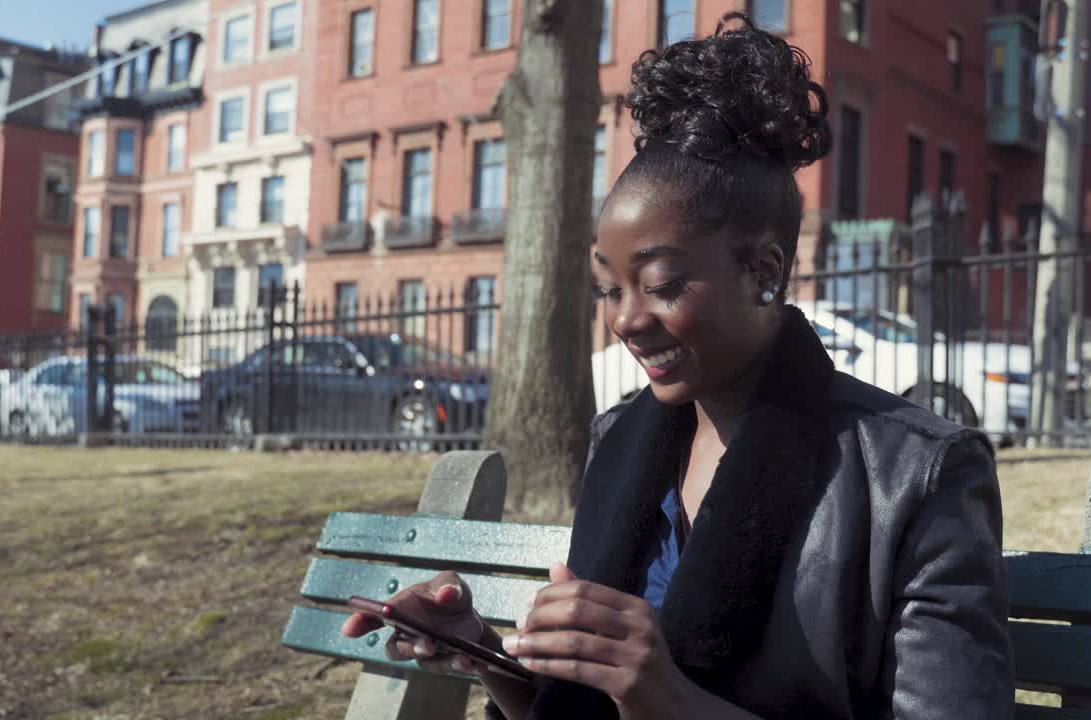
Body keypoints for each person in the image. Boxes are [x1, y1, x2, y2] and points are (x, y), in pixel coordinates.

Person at [343, 12, 1014, 719]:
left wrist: (669, 700)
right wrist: (484, 652)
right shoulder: (622, 440)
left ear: (763, 270)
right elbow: (596, 699)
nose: (626, 318)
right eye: (609, 287)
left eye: (662, 283)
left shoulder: (920, 476)